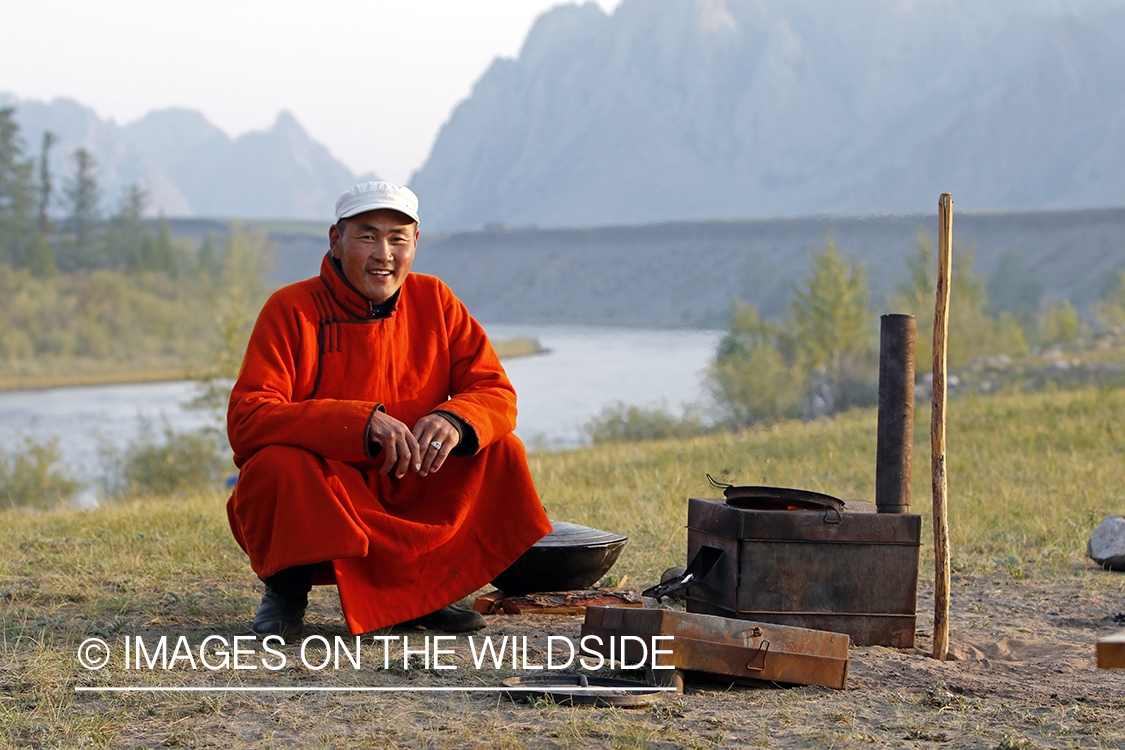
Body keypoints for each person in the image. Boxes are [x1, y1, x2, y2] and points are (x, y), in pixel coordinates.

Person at [225, 181, 552, 638]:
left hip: (414, 478)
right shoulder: (291, 308)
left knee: (501, 451)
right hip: (331, 490)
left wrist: (454, 419)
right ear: (336, 241)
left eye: (398, 239)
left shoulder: (435, 299)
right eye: (367, 236)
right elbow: (249, 416)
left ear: (415, 243)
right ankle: (286, 592)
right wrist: (360, 422)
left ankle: (423, 594)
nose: (384, 254)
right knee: (277, 465)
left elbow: (495, 391)